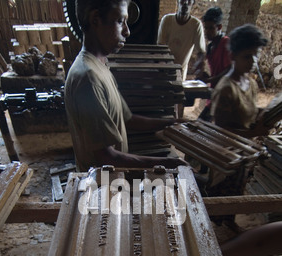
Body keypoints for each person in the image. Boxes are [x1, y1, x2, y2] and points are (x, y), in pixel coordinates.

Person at [65, 0, 188, 172]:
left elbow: (127, 119)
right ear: (95, 19)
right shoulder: (88, 78)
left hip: (112, 181)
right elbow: (107, 159)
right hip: (100, 188)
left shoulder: (100, 66)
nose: (127, 31)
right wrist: (171, 164)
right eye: (120, 21)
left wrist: (171, 123)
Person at [211, 24, 270, 138]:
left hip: (246, 145)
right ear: (233, 57)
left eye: (256, 55)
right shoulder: (226, 89)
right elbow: (220, 131)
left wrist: (264, 113)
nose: (253, 61)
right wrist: (253, 133)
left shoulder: (251, 83)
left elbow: (245, 111)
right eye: (247, 56)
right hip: (227, 150)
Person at [157, 0, 206, 82]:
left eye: (189, 1)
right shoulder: (167, 20)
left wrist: (199, 64)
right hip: (164, 68)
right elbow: (160, 46)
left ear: (193, 3)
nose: (185, 4)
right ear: (178, 1)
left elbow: (201, 52)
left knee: (176, 92)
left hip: (180, 71)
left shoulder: (196, 25)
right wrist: (163, 65)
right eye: (183, 0)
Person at [199, 7, 232, 121]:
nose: (207, 32)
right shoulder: (210, 47)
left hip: (224, 96)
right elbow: (216, 71)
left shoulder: (226, 43)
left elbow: (229, 70)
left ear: (219, 27)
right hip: (215, 94)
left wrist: (210, 80)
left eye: (211, 28)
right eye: (205, 28)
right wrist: (206, 77)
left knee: (200, 125)